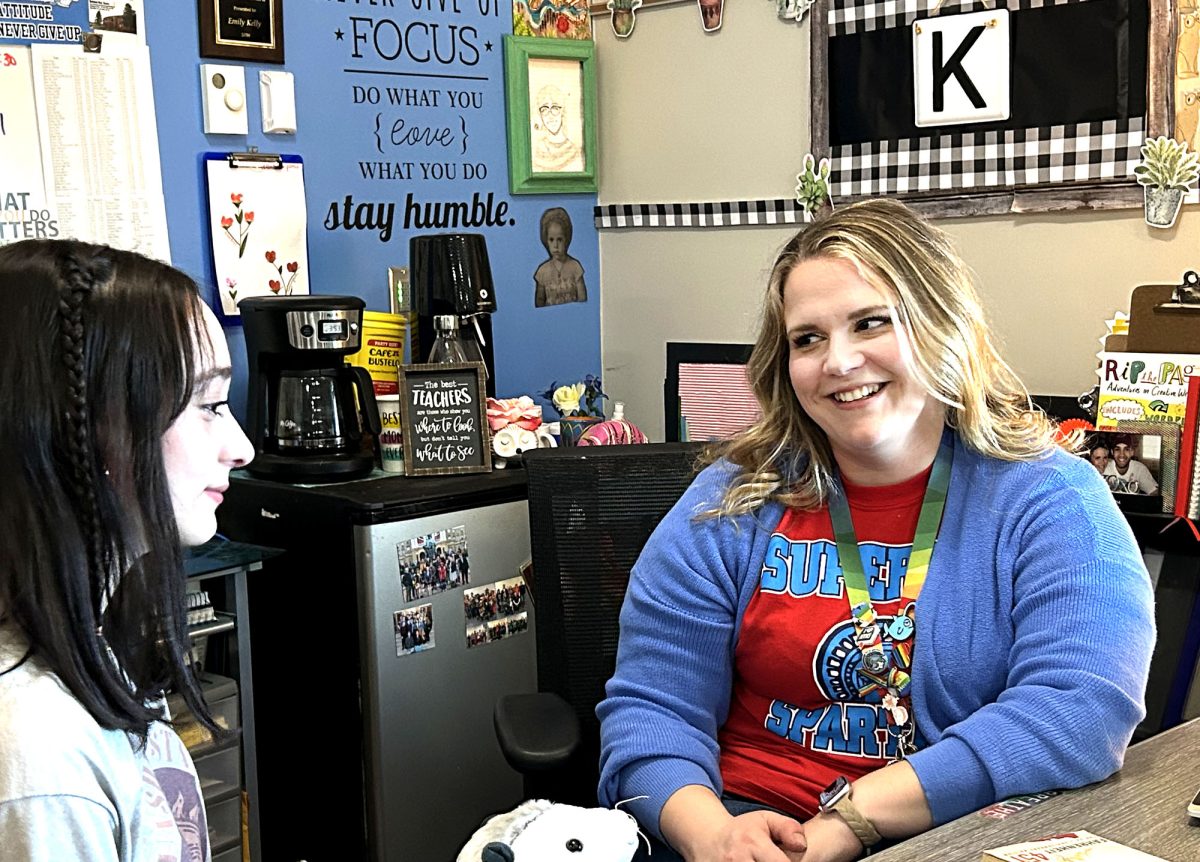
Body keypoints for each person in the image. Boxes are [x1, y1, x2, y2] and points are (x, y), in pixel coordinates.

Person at [597, 199, 1154, 862]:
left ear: (940, 325)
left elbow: (1079, 710)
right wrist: (711, 835)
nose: (838, 361)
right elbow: (651, 713)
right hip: (741, 827)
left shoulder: (1050, 500)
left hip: (950, 832)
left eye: (870, 323)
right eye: (808, 339)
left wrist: (853, 820)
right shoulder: (732, 500)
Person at [0, 239, 254, 860]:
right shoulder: (42, 761)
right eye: (210, 406)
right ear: (88, 430)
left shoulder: (91, 639)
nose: (242, 448)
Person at [534, 207, 587, 307]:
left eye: (559, 239)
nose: (555, 245)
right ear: (546, 240)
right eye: (551, 239)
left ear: (566, 239)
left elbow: (582, 298)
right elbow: (539, 302)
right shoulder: (542, 271)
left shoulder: (575, 267)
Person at [531, 84, 583, 173]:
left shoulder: (573, 151)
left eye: (555, 108)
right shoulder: (538, 151)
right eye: (544, 109)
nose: (550, 115)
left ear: (562, 111)